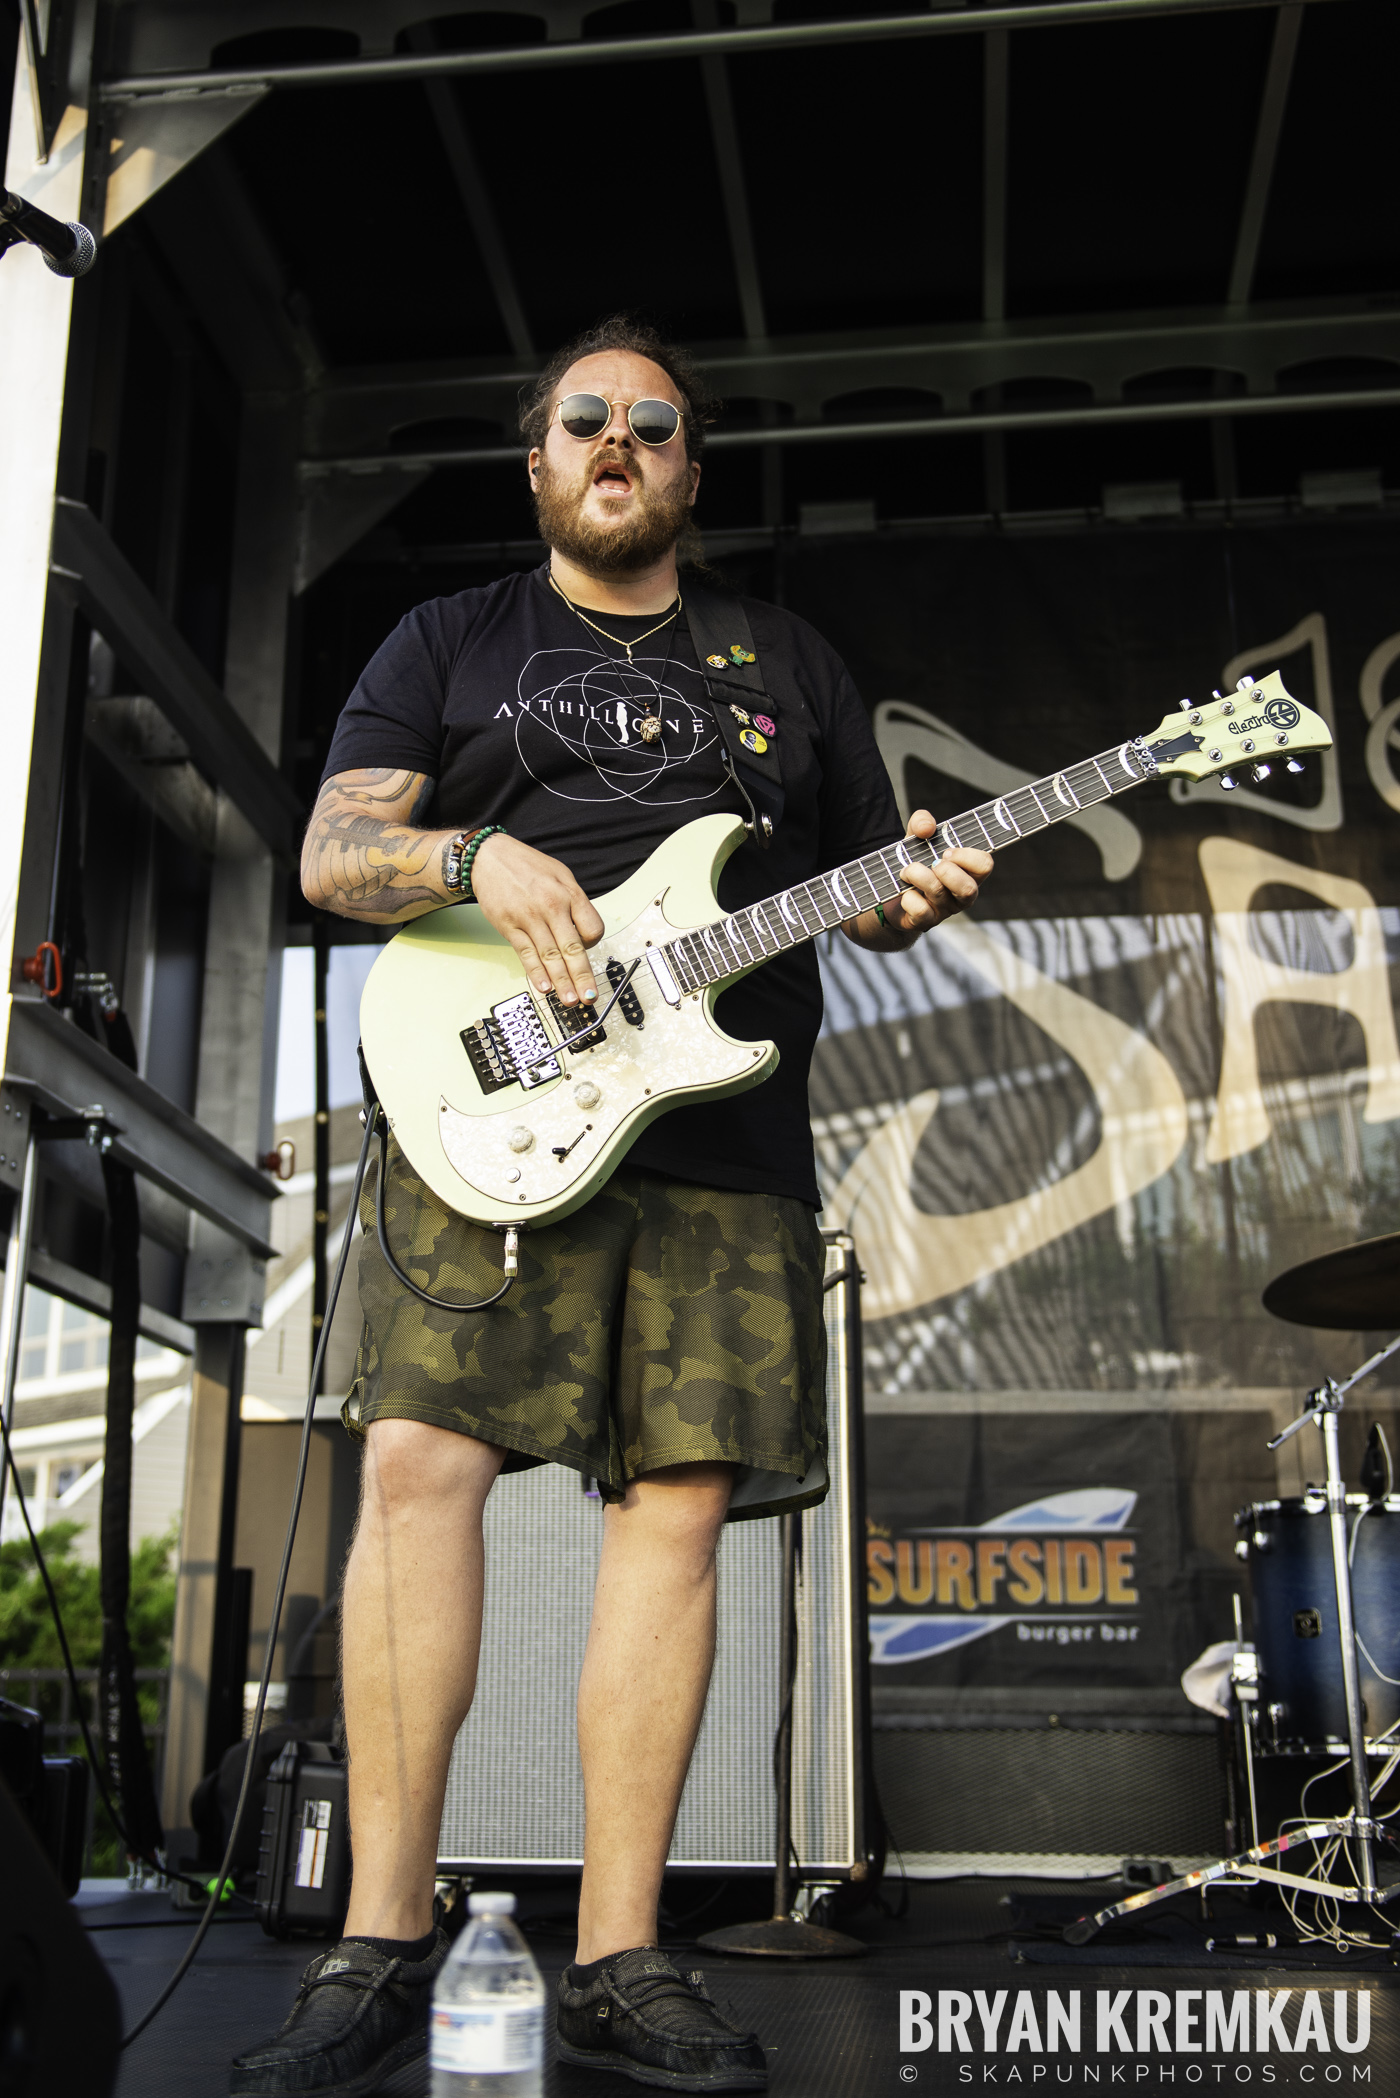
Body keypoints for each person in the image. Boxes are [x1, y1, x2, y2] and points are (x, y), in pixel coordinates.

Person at [230, 315, 992, 2098]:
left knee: (676, 1509)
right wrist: (475, 854)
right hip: (482, 1100)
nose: (619, 442)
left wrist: (919, 889)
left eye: (654, 424)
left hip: (717, 1143)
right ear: (541, 459)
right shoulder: (449, 639)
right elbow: (335, 854)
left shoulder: (785, 662)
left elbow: (868, 886)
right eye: (588, 420)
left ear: (690, 472)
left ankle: (626, 1954)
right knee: (420, 1467)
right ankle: (381, 1934)